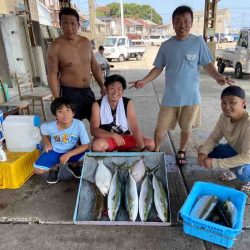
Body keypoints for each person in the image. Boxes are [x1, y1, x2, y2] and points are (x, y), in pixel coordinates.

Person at [129, 5, 233, 166]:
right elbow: (158, 68)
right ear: (173, 23)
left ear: (191, 23)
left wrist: (218, 77)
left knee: (186, 128)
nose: (182, 25)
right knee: (160, 128)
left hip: (191, 98)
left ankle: (182, 150)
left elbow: (207, 64)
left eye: (186, 21)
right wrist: (144, 81)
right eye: (178, 21)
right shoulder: (166, 45)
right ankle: (156, 150)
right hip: (170, 98)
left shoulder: (198, 42)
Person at [47, 7, 105, 121]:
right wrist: (57, 99)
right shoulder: (55, 47)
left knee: (99, 124)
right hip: (69, 93)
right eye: (65, 23)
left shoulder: (86, 42)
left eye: (73, 23)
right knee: (73, 131)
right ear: (60, 24)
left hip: (87, 91)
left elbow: (94, 66)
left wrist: (102, 86)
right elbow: (52, 75)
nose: (69, 28)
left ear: (78, 24)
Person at [197, 86, 250, 195]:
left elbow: (247, 156)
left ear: (244, 102)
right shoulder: (224, 117)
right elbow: (214, 138)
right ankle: (233, 170)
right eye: (224, 103)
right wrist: (203, 153)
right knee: (204, 150)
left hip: (248, 156)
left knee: (243, 171)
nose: (227, 107)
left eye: (232, 102)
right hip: (236, 149)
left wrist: (216, 163)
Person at [90, 74, 155, 152]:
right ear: (106, 89)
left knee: (150, 143)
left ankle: (127, 151)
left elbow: (134, 127)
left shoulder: (128, 103)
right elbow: (94, 130)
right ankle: (117, 152)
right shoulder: (97, 105)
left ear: (122, 91)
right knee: (97, 146)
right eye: (112, 88)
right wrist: (113, 135)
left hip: (125, 138)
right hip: (107, 139)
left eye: (119, 89)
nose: (115, 92)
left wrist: (141, 146)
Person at [33, 97, 90, 184]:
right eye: (60, 111)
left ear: (73, 113)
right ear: (55, 115)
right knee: (38, 170)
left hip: (71, 150)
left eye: (68, 110)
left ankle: (74, 166)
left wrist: (69, 154)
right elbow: (43, 132)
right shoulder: (49, 126)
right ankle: (54, 168)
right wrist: (48, 143)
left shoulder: (79, 124)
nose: (65, 114)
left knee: (89, 158)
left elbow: (86, 145)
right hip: (55, 151)